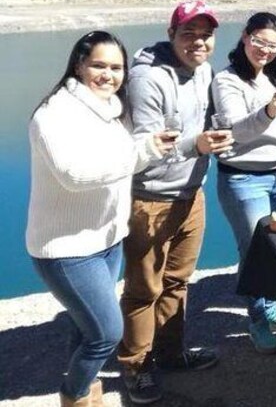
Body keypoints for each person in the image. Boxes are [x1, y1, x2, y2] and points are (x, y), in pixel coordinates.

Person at [27, 31, 171, 406]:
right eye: (99, 66)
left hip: (106, 240)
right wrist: (144, 154)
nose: (109, 75)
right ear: (78, 65)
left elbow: (120, 159)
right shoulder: (54, 114)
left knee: (84, 326)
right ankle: (73, 396)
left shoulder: (109, 110)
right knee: (107, 332)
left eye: (117, 67)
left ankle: (90, 394)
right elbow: (74, 175)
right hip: (66, 247)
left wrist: (148, 146)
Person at [118, 0, 234, 404]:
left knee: (178, 282)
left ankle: (168, 354)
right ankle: (135, 366)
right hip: (149, 198)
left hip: (190, 194)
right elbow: (146, 145)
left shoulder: (204, 71)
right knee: (143, 288)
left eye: (205, 34)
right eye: (189, 33)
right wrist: (196, 144)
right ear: (172, 35)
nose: (198, 42)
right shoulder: (147, 79)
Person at [211, 12, 276, 355]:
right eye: (260, 41)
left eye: (273, 46)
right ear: (245, 37)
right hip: (245, 178)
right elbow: (235, 128)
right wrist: (269, 110)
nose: (265, 50)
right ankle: (260, 321)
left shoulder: (275, 78)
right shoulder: (228, 80)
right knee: (254, 252)